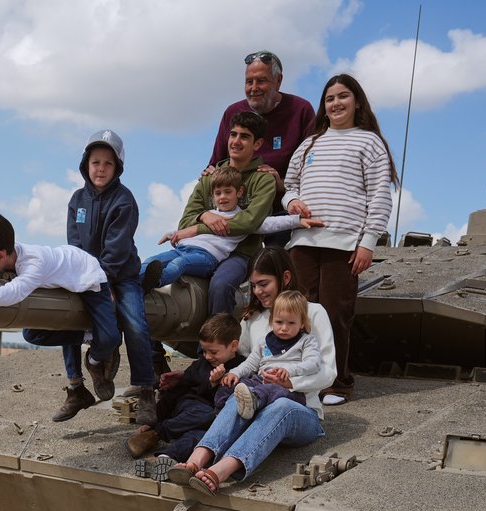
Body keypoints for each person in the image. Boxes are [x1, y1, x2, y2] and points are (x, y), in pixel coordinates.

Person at [166, 247, 336, 494]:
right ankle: (195, 461)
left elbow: (329, 372)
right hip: (256, 405)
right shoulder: (253, 319)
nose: (257, 291)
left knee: (280, 406)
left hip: (302, 411)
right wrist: (190, 375)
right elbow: (235, 359)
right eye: (253, 285)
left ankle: (221, 470)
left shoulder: (313, 313)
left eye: (263, 283)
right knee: (242, 392)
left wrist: (290, 385)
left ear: (285, 278)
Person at [282, 73, 397, 406]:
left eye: (343, 96)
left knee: (335, 314)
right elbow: (290, 186)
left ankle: (338, 383)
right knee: (301, 314)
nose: (336, 103)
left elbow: (380, 195)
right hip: (304, 242)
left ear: (357, 101)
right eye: (330, 98)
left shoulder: (370, 142)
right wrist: (292, 203)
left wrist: (368, 242)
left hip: (345, 242)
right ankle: (305, 380)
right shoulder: (310, 144)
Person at [0, 210, 121, 423]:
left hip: (85, 275)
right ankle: (82, 364)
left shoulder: (34, 263)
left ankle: (93, 361)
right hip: (60, 285)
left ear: (0, 255)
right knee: (33, 334)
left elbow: (11, 293)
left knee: (111, 338)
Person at [67, 129, 158, 424]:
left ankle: (145, 389)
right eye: (95, 162)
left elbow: (116, 249)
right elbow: (75, 244)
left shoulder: (124, 200)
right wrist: (84, 279)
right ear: (86, 164)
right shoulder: (77, 200)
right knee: (63, 315)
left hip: (120, 274)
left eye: (108, 163)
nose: (101, 168)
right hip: (84, 274)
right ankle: (75, 384)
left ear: (117, 167)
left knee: (134, 322)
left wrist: (104, 285)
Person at [140, 165, 318, 290]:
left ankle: (156, 281)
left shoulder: (241, 218)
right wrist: (172, 234)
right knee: (152, 260)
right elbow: (189, 228)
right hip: (184, 248)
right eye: (218, 193)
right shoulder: (209, 215)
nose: (222, 197)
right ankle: (131, 282)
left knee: (179, 264)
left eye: (228, 192)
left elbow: (269, 224)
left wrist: (297, 220)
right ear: (212, 196)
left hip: (206, 257)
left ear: (239, 193)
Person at [174, 111, 277, 319]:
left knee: (220, 285)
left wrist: (198, 227)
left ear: (257, 144)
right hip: (205, 249)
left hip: (240, 254)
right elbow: (184, 223)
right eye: (233, 134)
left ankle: (215, 349)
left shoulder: (264, 180)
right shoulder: (209, 178)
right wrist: (203, 216)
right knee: (164, 273)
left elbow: (248, 222)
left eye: (244, 136)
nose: (236, 141)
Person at [205, 50, 317, 220]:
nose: (254, 88)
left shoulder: (300, 110)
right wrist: (208, 176)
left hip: (283, 210)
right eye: (249, 82)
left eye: (261, 81)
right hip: (236, 212)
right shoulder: (233, 112)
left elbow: (312, 169)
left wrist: (281, 184)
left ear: (278, 81)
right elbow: (216, 164)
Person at [125, 312, 240, 460]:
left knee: (202, 436)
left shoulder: (241, 368)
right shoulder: (201, 365)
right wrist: (154, 422)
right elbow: (176, 392)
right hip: (191, 409)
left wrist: (218, 385)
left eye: (213, 352)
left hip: (211, 421)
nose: (207, 356)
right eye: (204, 351)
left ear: (233, 346)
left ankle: (167, 457)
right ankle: (155, 434)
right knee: (206, 414)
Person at [219, 289, 320, 419]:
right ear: (272, 320)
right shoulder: (264, 341)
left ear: (301, 324)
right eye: (279, 322)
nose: (284, 328)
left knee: (269, 390)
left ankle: (254, 402)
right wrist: (235, 372)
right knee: (234, 385)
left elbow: (313, 363)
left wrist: (289, 370)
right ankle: (221, 413)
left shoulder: (306, 340)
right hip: (261, 380)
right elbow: (251, 363)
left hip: (287, 387)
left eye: (291, 323)